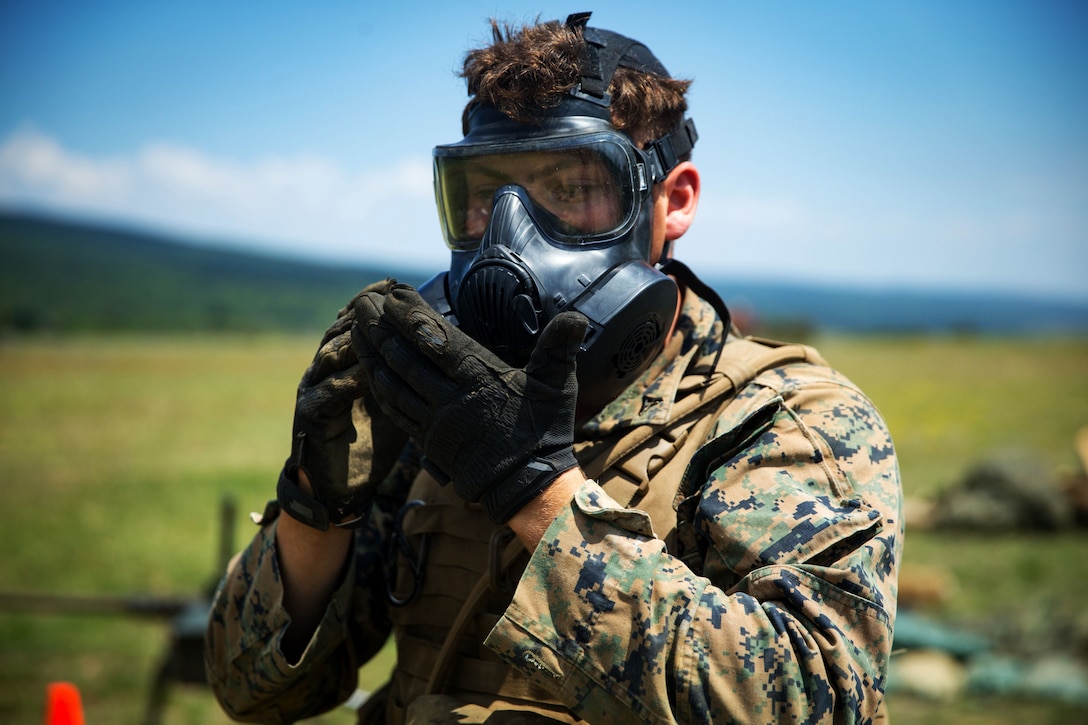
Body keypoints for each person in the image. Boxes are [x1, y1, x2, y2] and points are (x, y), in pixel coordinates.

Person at [205, 12, 902, 724]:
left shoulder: (783, 418)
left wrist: (533, 488)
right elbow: (252, 690)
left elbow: (812, 701)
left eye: (571, 188)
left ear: (675, 198)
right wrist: (318, 508)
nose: (508, 237)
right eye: (483, 196)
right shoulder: (441, 404)